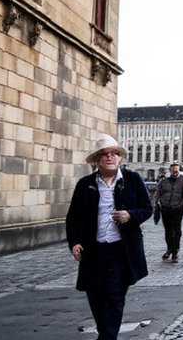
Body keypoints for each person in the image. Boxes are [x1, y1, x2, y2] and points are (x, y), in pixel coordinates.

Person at [66, 134, 152, 340]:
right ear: (98, 159)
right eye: (105, 154)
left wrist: (130, 215)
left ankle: (107, 338)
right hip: (93, 249)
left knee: (114, 295)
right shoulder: (85, 184)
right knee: (95, 294)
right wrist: (75, 242)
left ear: (119, 157)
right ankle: (106, 333)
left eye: (114, 153)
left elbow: (147, 208)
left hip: (121, 250)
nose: (110, 157)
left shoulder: (132, 180)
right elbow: (73, 217)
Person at [155, 163, 183, 262]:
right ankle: (169, 249)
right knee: (168, 230)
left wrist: (181, 204)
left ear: (179, 171)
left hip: (177, 208)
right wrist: (158, 203)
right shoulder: (164, 181)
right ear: (170, 170)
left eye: (176, 170)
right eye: (173, 170)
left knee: (177, 230)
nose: (175, 171)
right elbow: (158, 193)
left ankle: (175, 251)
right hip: (165, 208)